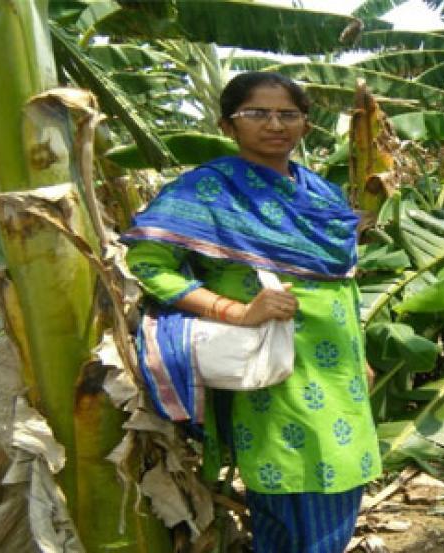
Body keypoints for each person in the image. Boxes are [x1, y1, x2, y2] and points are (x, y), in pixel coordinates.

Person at [123, 71, 381, 552]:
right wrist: (236, 311)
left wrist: (358, 354)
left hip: (338, 366)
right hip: (271, 363)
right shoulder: (207, 190)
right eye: (256, 113)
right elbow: (149, 263)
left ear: (306, 124)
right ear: (228, 124)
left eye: (289, 114)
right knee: (287, 483)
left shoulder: (320, 193)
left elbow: (342, 282)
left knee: (342, 482)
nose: (275, 124)